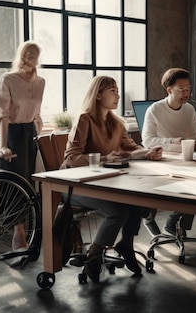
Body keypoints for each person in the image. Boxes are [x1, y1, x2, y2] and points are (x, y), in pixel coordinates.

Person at [61, 75, 163, 283]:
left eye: (117, 90)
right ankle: (94, 255)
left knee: (136, 201)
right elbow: (71, 158)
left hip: (104, 184)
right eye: (112, 91)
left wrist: (148, 153)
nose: (118, 95)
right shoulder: (85, 119)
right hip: (75, 186)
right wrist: (104, 158)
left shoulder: (116, 123)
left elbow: (132, 148)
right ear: (98, 95)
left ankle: (126, 244)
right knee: (118, 212)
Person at [0, 40, 45, 254]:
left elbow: (38, 112)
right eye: (27, 52)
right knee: (17, 182)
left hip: (30, 133)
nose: (31, 56)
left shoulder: (41, 82)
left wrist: (38, 132)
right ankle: (19, 231)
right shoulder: (8, 79)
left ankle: (27, 228)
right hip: (13, 133)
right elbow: (2, 114)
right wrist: (3, 145)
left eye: (35, 53)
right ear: (21, 55)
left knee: (30, 182)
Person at [141, 68, 196, 238]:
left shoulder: (188, 109)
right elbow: (147, 141)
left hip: (184, 158)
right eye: (181, 90)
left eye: (188, 89)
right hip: (159, 160)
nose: (186, 93)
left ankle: (175, 222)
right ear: (169, 90)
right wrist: (174, 142)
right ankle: (148, 217)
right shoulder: (155, 110)